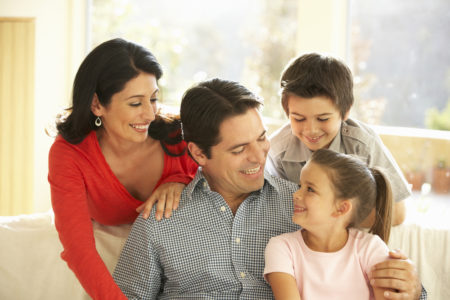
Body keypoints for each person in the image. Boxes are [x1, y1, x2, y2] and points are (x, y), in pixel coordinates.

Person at [113, 78, 425, 299]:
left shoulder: (306, 206)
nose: (259, 155)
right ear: (198, 153)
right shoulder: (161, 219)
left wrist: (410, 289)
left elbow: (366, 269)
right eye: (239, 150)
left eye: (261, 138)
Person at [48, 38, 198, 300]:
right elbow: (78, 250)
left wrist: (181, 181)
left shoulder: (179, 135)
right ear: (97, 104)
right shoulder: (69, 154)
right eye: (135, 103)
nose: (150, 115)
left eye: (153, 99)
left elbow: (223, 191)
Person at [267, 53, 410, 227]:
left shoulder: (362, 145)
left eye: (323, 119)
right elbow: (281, 215)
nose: (310, 130)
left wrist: (334, 220)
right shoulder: (277, 151)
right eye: (298, 119)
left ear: (346, 111)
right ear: (287, 113)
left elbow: (397, 213)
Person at [264, 148, 394, 299]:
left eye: (310, 189)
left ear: (341, 208)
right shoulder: (282, 247)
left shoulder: (370, 248)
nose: (296, 194)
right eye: (300, 186)